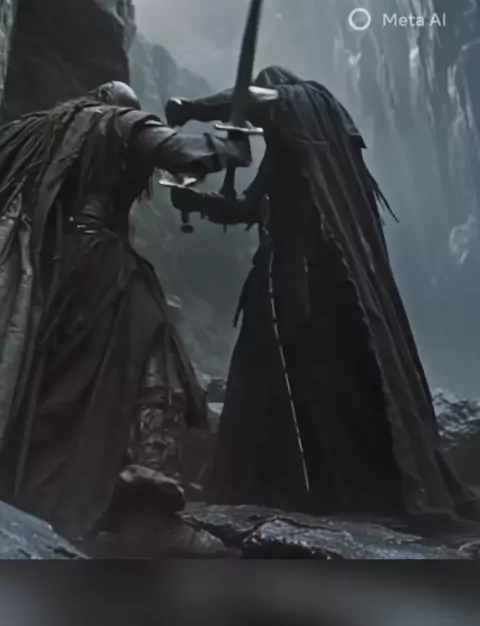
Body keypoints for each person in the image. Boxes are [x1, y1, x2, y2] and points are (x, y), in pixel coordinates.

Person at [167, 66, 480, 532]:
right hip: (289, 276)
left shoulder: (309, 104)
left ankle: (328, 486)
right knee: (274, 374)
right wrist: (196, 202)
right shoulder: (288, 151)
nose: (263, 122)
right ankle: (279, 482)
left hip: (311, 277)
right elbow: (252, 208)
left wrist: (191, 108)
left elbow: (257, 98)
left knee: (317, 374)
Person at [0, 80, 250, 550]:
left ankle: (53, 492)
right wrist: (229, 145)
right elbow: (184, 153)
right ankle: (148, 502)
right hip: (101, 263)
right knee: (155, 355)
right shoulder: (116, 122)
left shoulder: (37, 130)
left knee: (64, 378)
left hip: (50, 267)